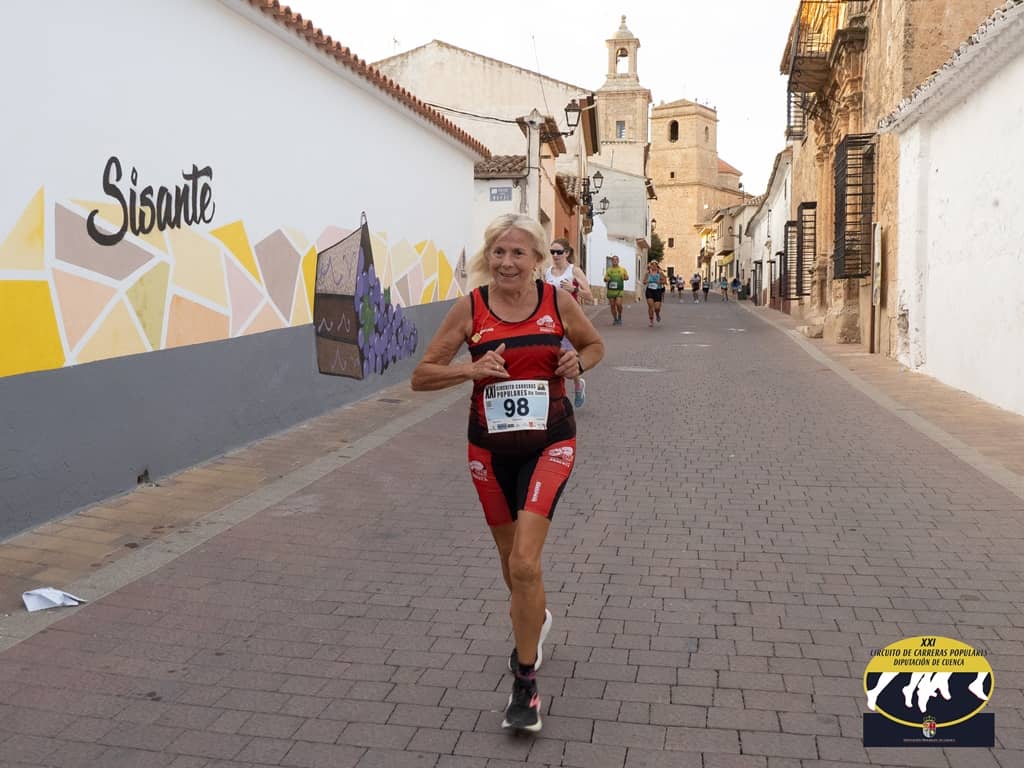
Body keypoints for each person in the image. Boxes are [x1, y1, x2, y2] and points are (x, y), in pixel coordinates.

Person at [411, 214, 604, 732]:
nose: (507, 262)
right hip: (488, 451)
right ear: (487, 256)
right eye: (499, 252)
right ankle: (535, 617)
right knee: (511, 562)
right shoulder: (470, 308)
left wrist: (578, 364)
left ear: (538, 259)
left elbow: (593, 345)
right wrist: (470, 370)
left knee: (523, 561)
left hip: (550, 442)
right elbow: (421, 376)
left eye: (518, 253)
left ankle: (525, 684)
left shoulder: (556, 302)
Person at [544, 238, 592, 408]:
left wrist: (574, 289)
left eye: (559, 252)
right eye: (552, 252)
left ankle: (578, 383)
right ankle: (554, 395)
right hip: (550, 319)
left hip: (569, 320)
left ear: (566, 253)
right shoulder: (547, 272)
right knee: (549, 355)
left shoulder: (574, 271)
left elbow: (589, 295)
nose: (555, 255)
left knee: (567, 357)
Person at [603, 254, 629, 326]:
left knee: (618, 304)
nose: (615, 261)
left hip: (619, 290)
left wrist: (624, 277)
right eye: (613, 260)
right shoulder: (609, 270)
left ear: (618, 261)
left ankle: (619, 316)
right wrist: (606, 279)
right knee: (612, 305)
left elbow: (627, 277)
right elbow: (605, 279)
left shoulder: (622, 269)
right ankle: (615, 319)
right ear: (612, 261)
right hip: (611, 291)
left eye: (616, 260)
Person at [644, 260, 666, 326]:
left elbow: (665, 281)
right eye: (652, 265)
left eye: (655, 265)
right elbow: (644, 281)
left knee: (657, 308)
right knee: (650, 306)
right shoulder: (648, 273)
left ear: (657, 266)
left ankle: (657, 314)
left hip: (658, 291)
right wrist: (647, 281)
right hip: (649, 290)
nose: (653, 266)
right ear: (650, 266)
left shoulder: (660, 273)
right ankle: (651, 320)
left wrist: (660, 282)